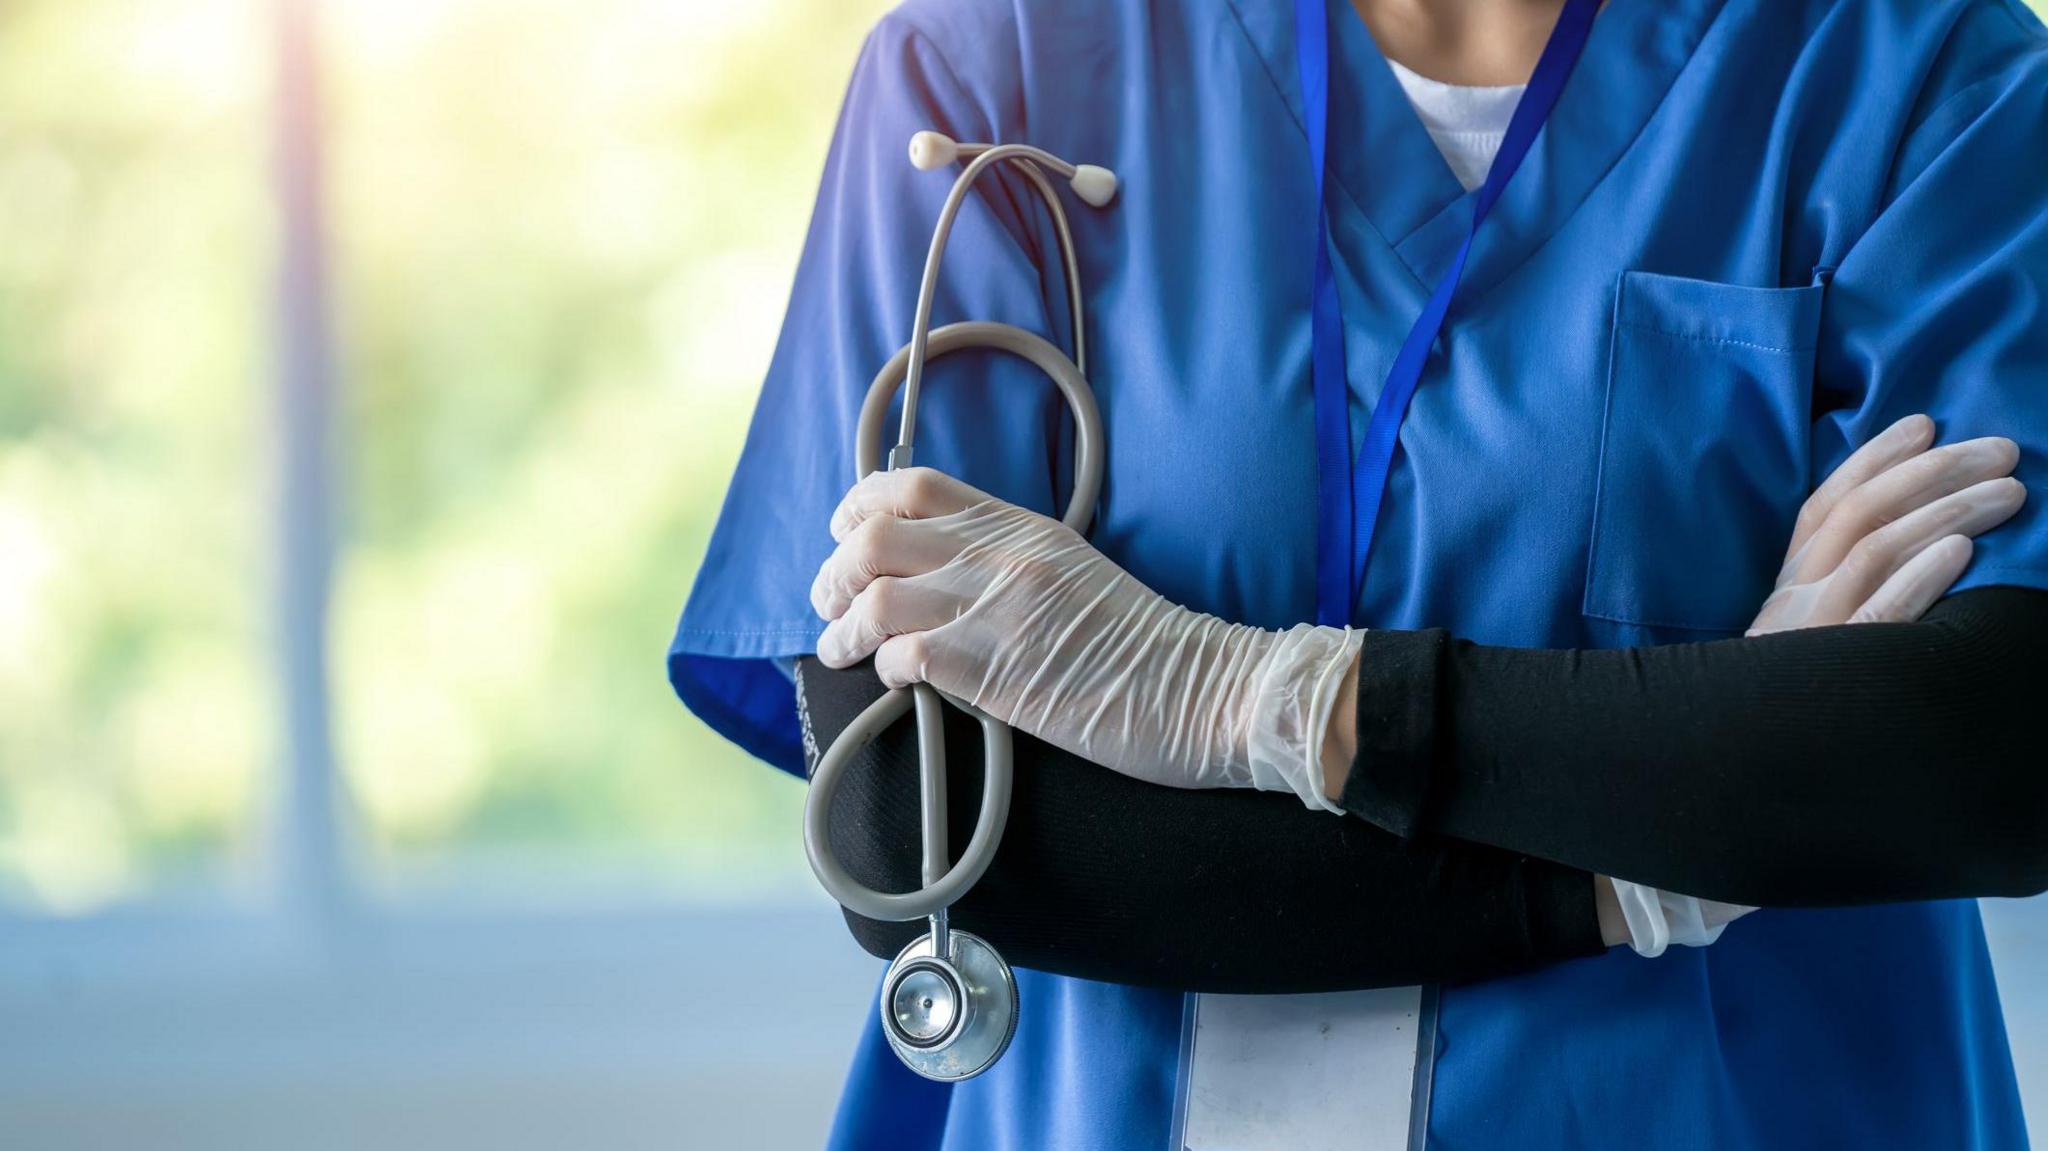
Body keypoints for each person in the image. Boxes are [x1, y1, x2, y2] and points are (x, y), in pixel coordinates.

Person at [668, 0, 2048, 1146]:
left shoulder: (1915, 76)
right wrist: (1659, 854)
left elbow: (1985, 748)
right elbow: (918, 828)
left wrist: (1248, 697)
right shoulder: (1002, 65)